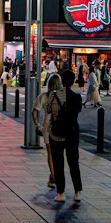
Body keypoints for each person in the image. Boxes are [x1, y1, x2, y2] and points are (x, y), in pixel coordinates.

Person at [48, 66, 84, 203]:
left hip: (56, 133)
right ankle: (77, 192)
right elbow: (77, 112)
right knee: (73, 162)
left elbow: (48, 110)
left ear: (62, 80)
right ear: (73, 81)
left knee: (58, 162)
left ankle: (61, 193)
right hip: (72, 133)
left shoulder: (54, 95)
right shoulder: (77, 97)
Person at [32, 72, 62, 188]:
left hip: (47, 126)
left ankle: (53, 176)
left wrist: (36, 124)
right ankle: (55, 176)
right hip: (60, 127)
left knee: (50, 153)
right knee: (59, 153)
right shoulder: (63, 96)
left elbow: (34, 111)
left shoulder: (43, 96)